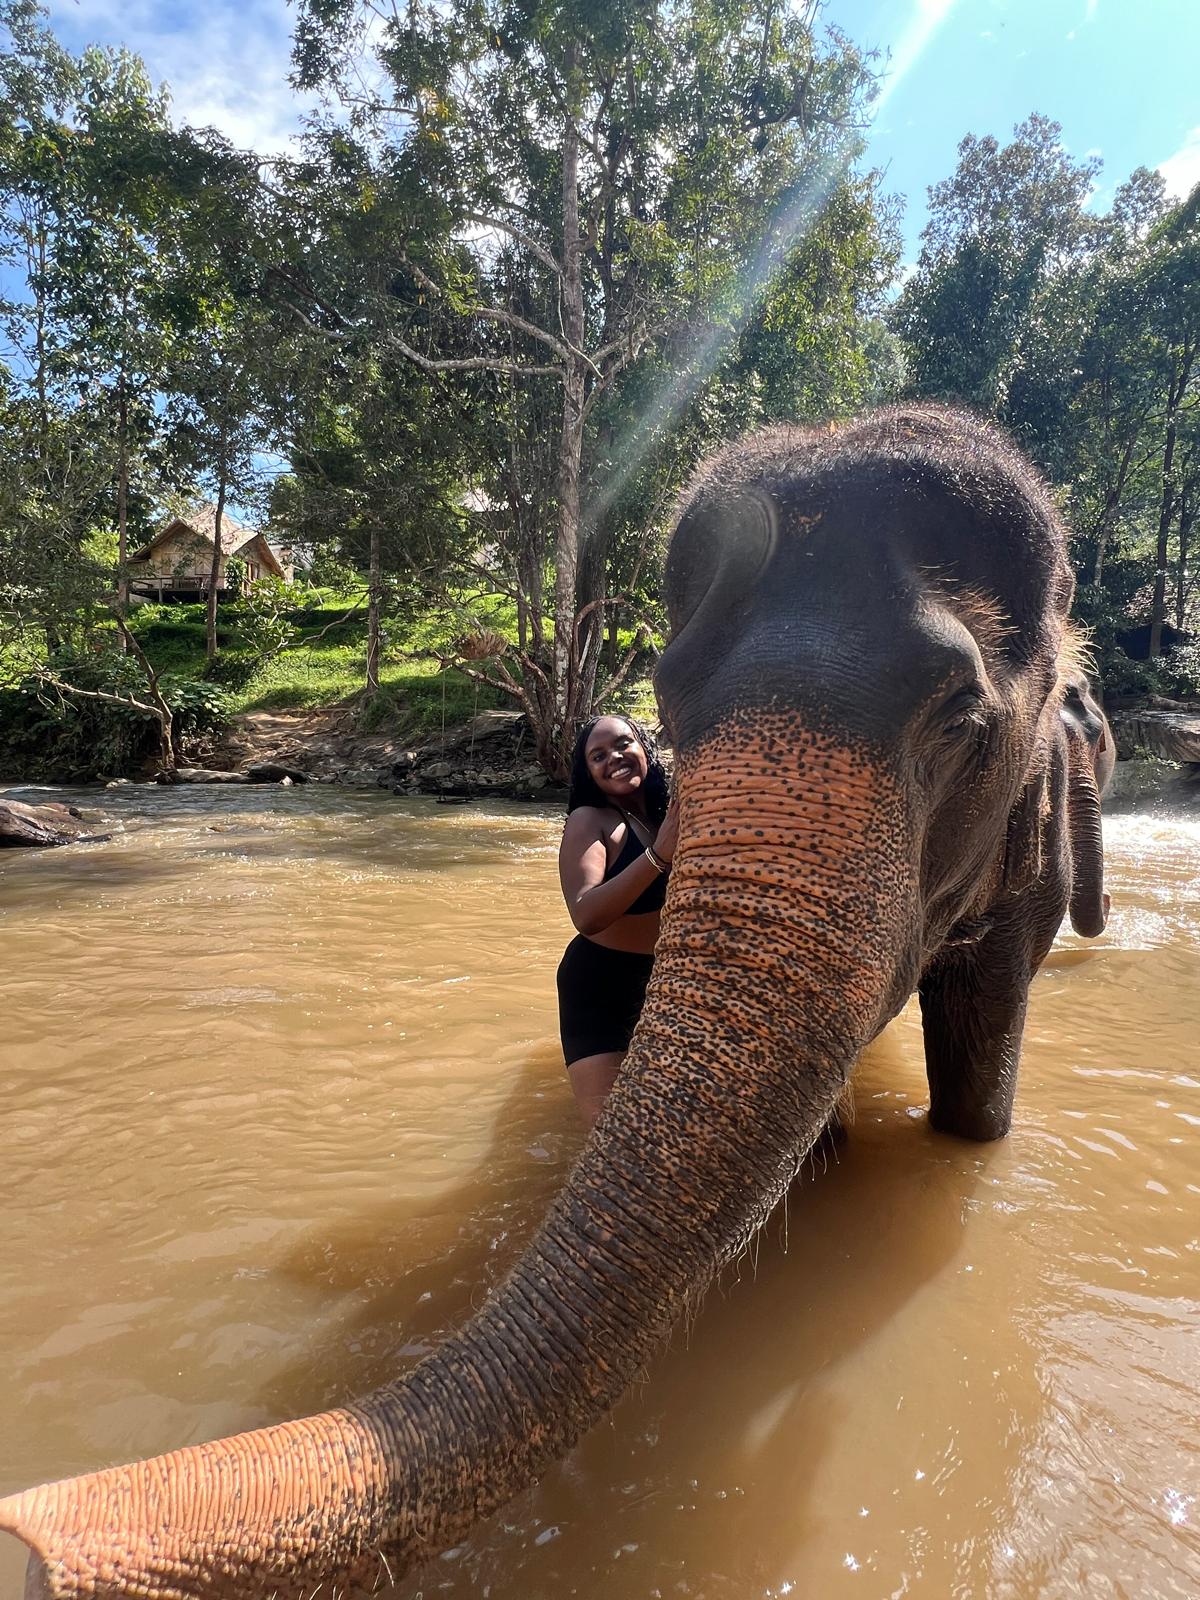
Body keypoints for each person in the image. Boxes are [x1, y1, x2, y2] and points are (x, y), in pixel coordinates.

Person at [556, 713, 679, 1128]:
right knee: (614, 1137)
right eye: (598, 755)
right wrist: (658, 855)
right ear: (588, 772)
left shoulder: (671, 815)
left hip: (669, 982)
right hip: (599, 988)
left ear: (644, 747)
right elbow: (585, 914)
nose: (615, 757)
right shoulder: (590, 821)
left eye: (624, 744)